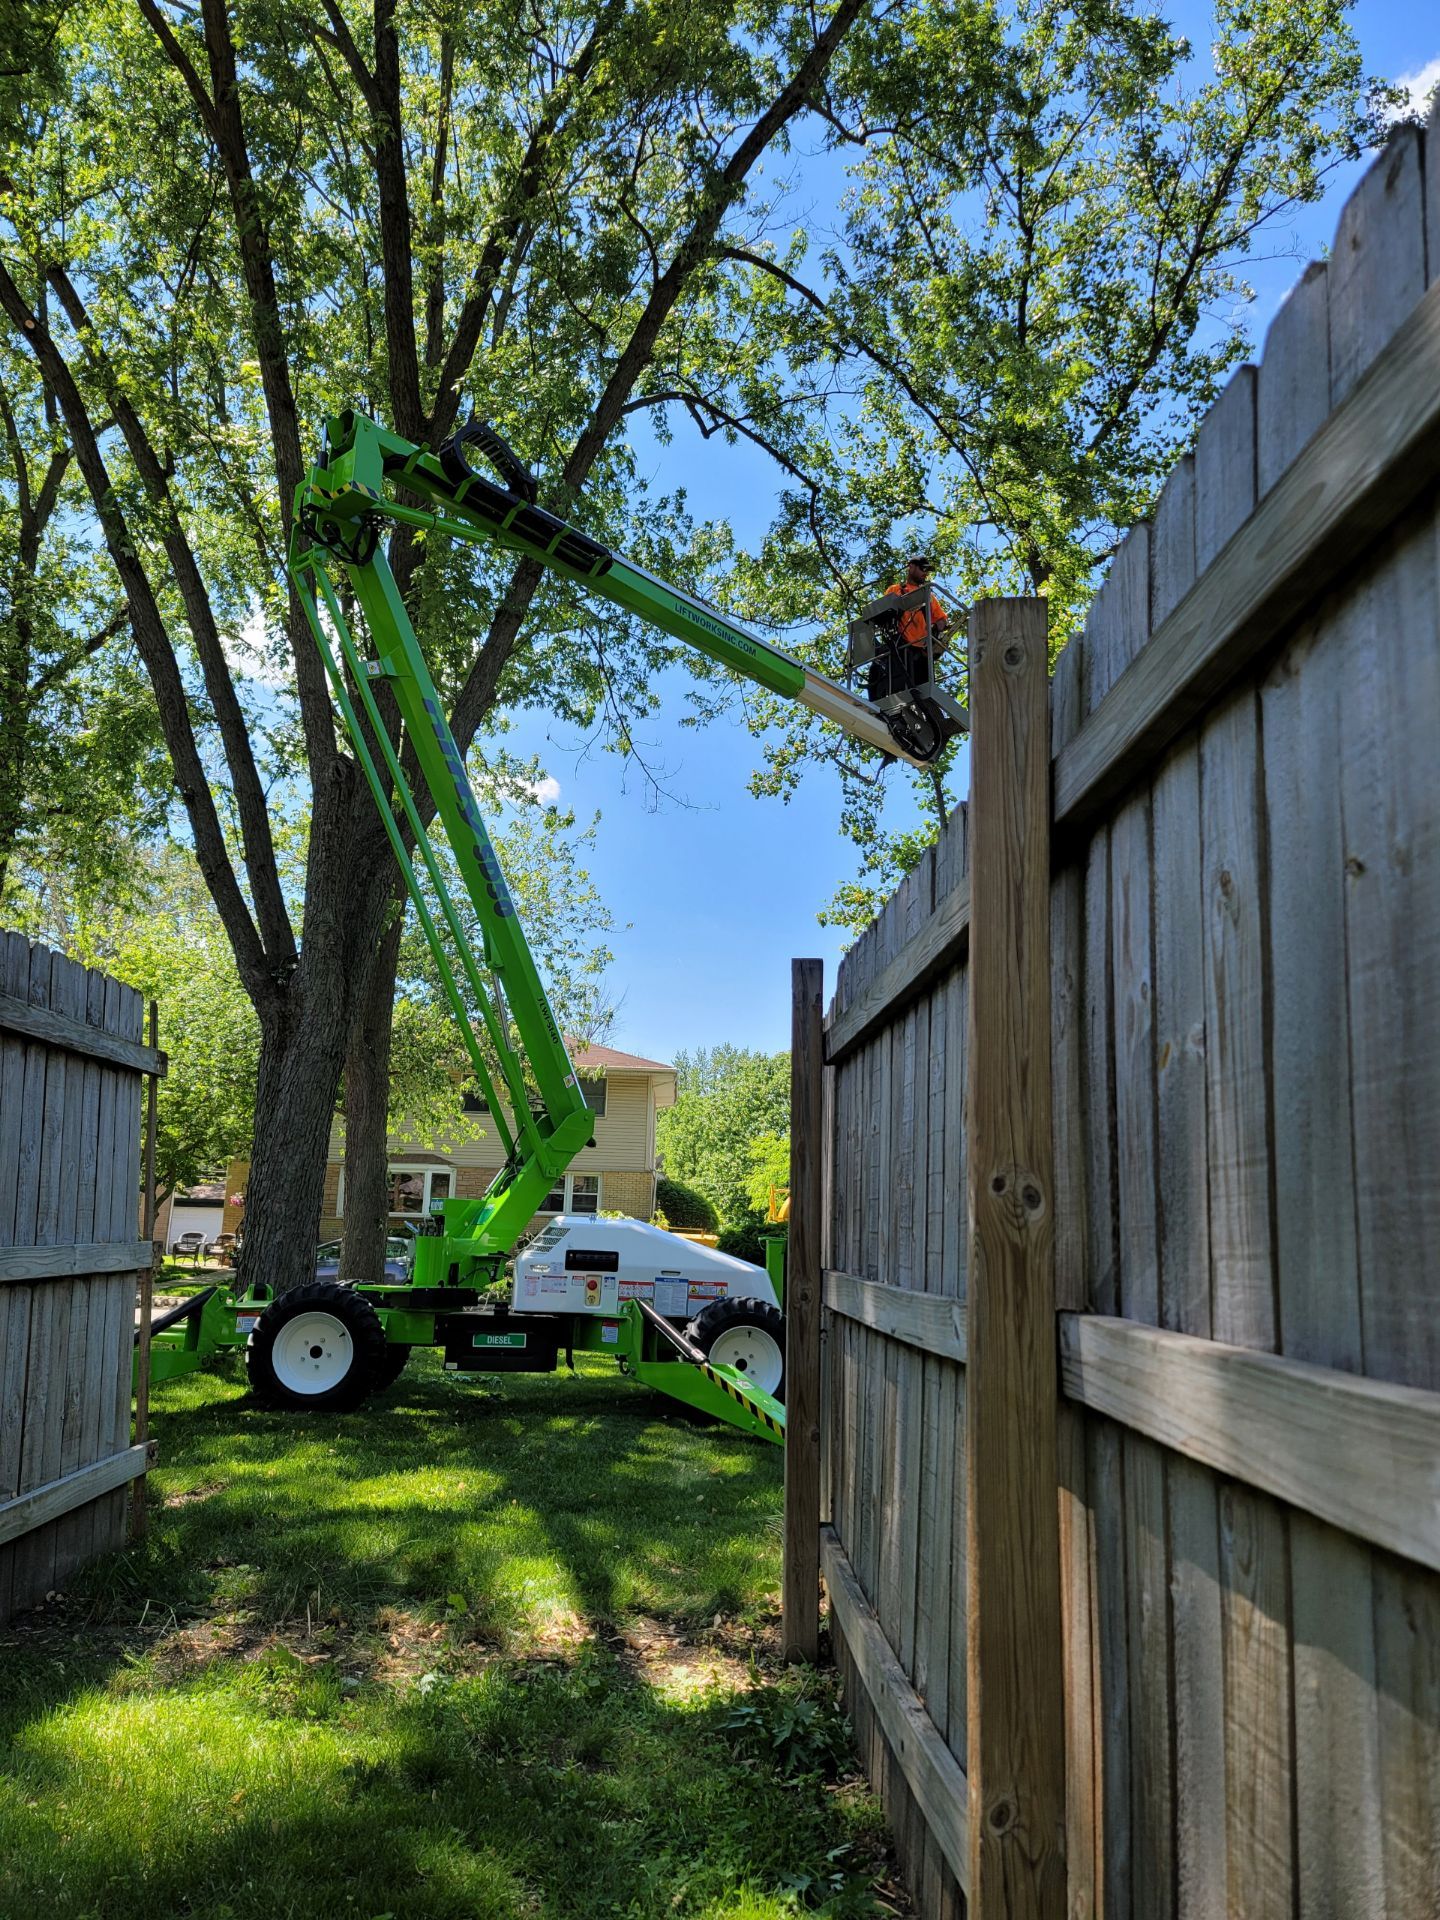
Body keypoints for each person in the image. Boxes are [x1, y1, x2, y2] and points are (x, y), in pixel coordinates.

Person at [869, 554, 951, 701]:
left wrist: (937, 631)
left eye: (927, 571)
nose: (925, 573)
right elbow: (882, 615)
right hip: (899, 646)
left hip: (921, 651)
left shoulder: (928, 595)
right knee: (890, 681)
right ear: (911, 567)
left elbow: (941, 620)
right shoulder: (895, 590)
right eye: (922, 569)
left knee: (924, 695)